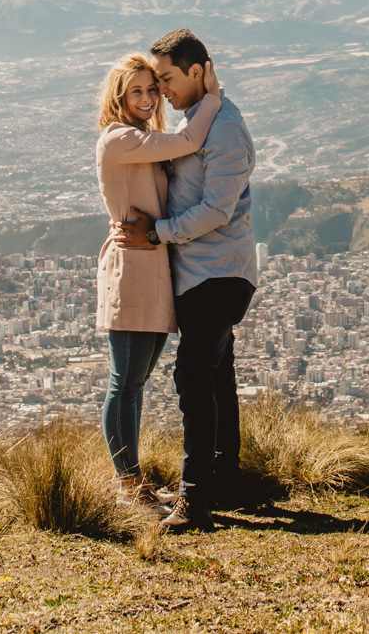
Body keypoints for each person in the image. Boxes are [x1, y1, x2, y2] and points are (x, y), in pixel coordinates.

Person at [112, 27, 256, 531]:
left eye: (168, 79)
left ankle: (196, 501)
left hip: (220, 270)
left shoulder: (225, 128)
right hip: (198, 273)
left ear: (197, 72)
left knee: (191, 376)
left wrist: (158, 234)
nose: (162, 93)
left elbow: (217, 208)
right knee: (216, 376)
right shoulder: (199, 118)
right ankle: (228, 480)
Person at [92, 51, 222, 507]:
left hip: (154, 266)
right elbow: (189, 139)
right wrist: (212, 95)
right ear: (119, 96)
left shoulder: (143, 138)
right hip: (131, 268)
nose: (149, 98)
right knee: (123, 381)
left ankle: (135, 481)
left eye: (152, 89)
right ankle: (127, 486)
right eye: (138, 91)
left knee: (136, 382)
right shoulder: (119, 140)